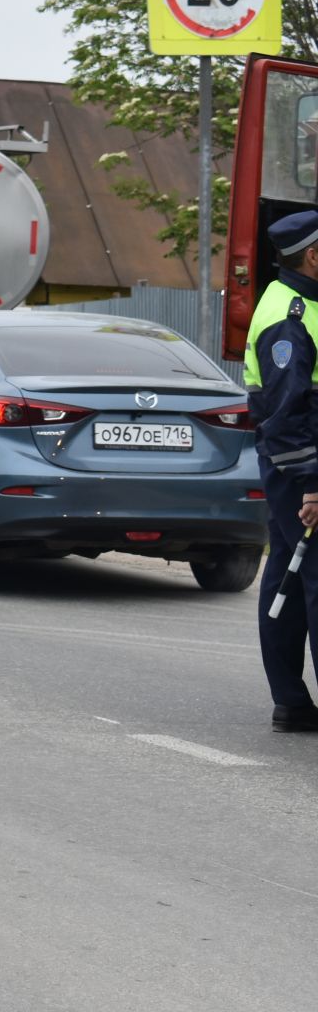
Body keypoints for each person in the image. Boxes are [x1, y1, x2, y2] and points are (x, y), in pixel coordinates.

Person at [242, 209, 318, 732]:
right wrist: (312, 484)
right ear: (313, 255)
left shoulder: (304, 304)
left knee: (289, 578)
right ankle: (289, 698)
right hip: (302, 467)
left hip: (297, 467)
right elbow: (286, 415)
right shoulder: (290, 318)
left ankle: (290, 700)